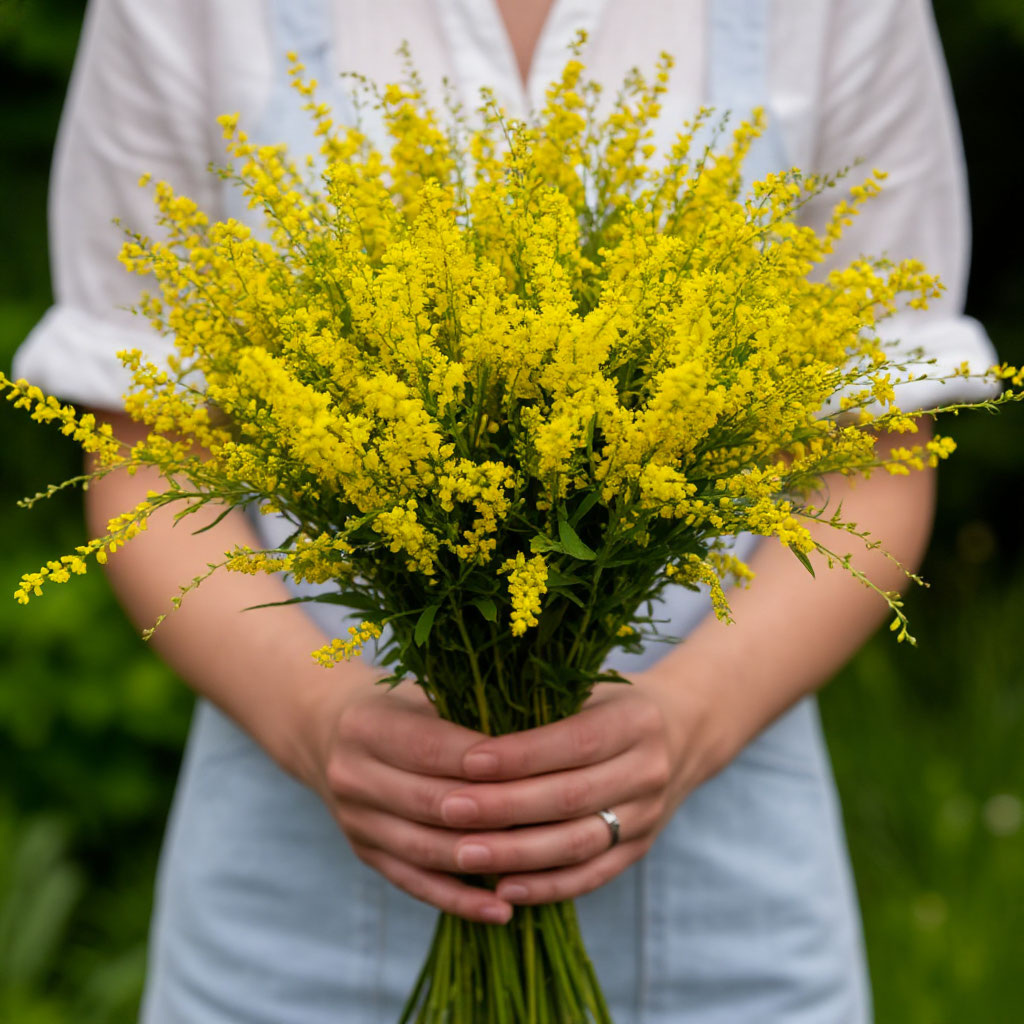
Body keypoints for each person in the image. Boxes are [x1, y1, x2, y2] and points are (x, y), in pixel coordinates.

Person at [12, 0, 998, 1020]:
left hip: (726, 906)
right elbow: (146, 448)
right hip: (286, 906)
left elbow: (877, 446)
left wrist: (690, 719)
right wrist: (318, 724)